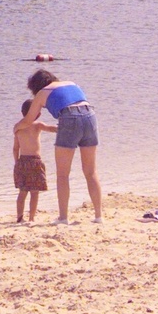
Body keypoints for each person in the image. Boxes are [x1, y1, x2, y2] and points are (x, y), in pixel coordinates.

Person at [15, 69, 102, 224]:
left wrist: (16, 128)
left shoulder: (42, 93)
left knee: (63, 174)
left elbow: (28, 120)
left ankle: (63, 217)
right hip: (90, 116)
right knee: (90, 171)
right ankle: (98, 216)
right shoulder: (71, 83)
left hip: (69, 117)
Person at [12, 99, 56, 223]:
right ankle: (31, 218)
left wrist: (17, 162)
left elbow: (16, 148)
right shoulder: (37, 125)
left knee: (23, 192)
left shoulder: (18, 128)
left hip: (22, 162)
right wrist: (61, 127)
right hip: (35, 162)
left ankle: (20, 217)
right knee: (35, 193)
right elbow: (50, 128)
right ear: (35, 113)